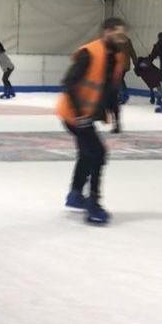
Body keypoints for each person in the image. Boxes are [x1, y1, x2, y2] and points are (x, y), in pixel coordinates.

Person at [57, 17, 128, 224]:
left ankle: (75, 195)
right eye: (118, 34)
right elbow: (69, 83)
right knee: (98, 153)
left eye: (123, 36)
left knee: (87, 153)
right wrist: (80, 116)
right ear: (107, 32)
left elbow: (109, 90)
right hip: (73, 114)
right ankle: (93, 205)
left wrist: (115, 119)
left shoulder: (115, 57)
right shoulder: (90, 53)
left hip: (85, 115)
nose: (121, 39)